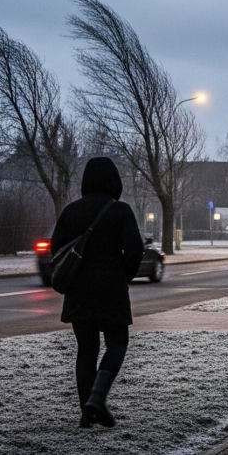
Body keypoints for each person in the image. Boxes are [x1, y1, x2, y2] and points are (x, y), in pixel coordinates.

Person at [51, 156, 145, 428]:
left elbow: (56, 249)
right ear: (114, 180)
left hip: (78, 292)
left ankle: (86, 412)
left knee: (86, 350)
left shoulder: (71, 211)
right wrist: (123, 276)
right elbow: (135, 250)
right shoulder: (120, 211)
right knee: (117, 343)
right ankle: (98, 397)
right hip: (111, 289)